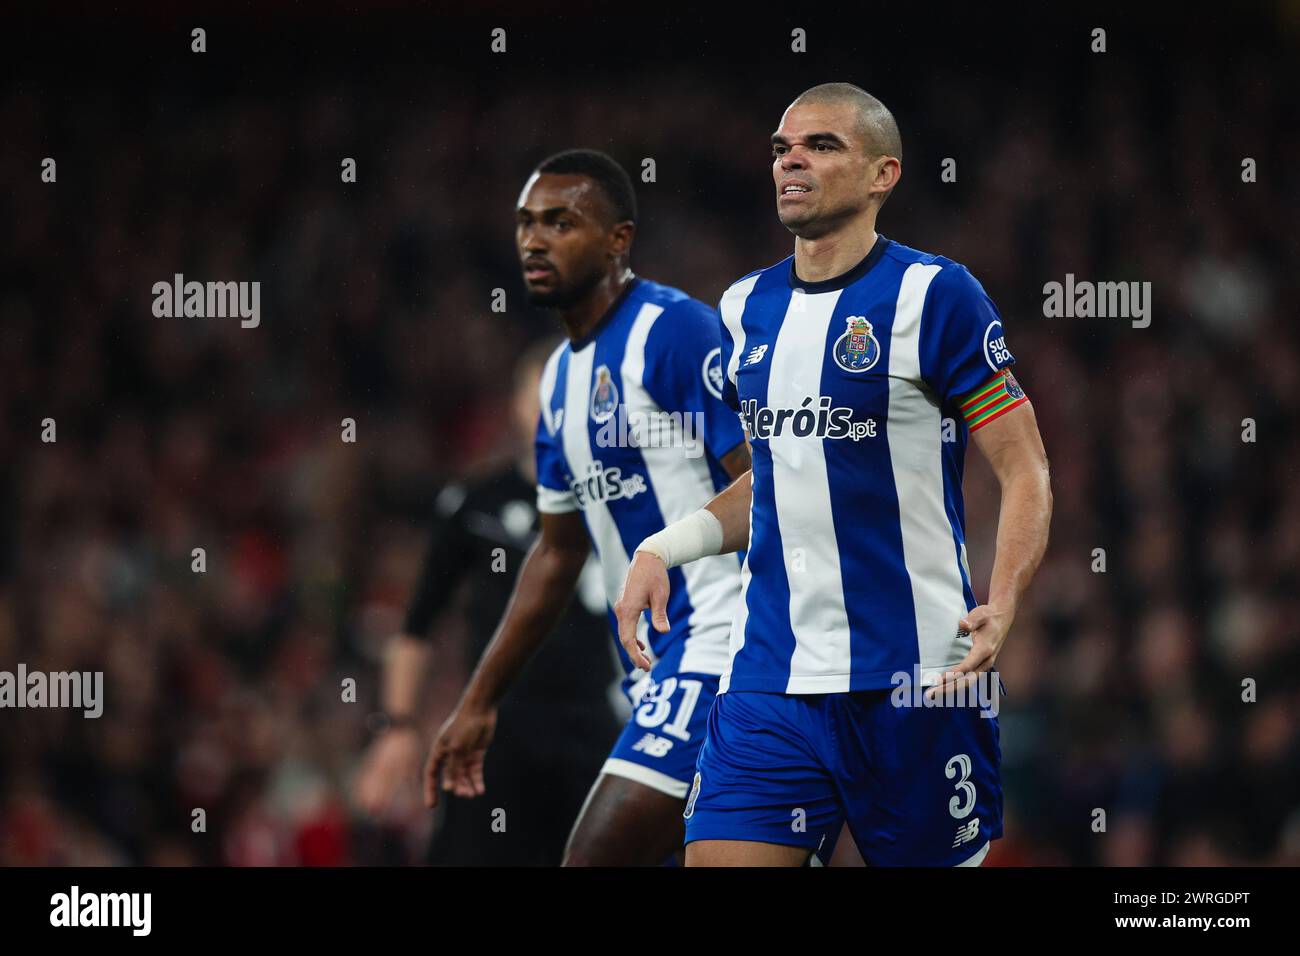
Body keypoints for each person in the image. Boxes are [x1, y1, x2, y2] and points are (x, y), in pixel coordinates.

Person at [616, 83, 1053, 866]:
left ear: (884, 174)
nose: (792, 159)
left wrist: (1007, 597)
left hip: (917, 677)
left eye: (822, 145)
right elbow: (777, 480)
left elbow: (1025, 470)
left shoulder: (936, 295)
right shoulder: (744, 306)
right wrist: (664, 547)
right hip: (769, 681)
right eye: (782, 146)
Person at [423, 149, 751, 865]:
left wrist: (669, 551)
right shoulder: (561, 383)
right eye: (526, 223)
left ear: (618, 240)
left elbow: (774, 483)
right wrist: (479, 699)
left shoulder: (674, 332)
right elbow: (557, 552)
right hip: (648, 675)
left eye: (561, 222)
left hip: (725, 650)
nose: (534, 240)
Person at [353, 340, 622, 865]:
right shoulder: (475, 505)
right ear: (516, 405)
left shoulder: (627, 502)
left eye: (570, 392)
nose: (554, 406)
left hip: (598, 728)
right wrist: (399, 728)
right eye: (541, 391)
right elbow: (416, 627)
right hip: (495, 730)